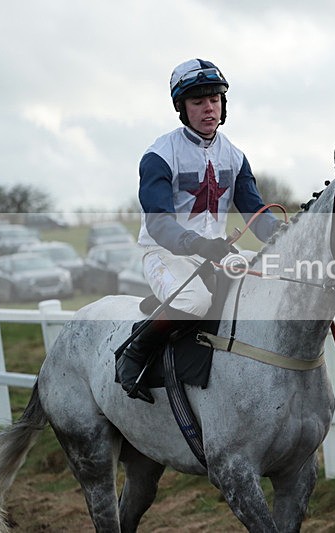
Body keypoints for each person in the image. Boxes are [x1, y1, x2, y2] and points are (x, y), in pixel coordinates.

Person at [116, 58, 280, 403]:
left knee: (271, 276)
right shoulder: (160, 155)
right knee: (195, 302)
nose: (209, 109)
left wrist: (285, 234)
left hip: (215, 254)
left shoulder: (234, 156)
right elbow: (159, 224)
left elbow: (256, 211)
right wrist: (199, 245)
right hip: (165, 254)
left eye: (215, 100)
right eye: (198, 101)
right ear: (181, 108)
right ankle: (133, 352)